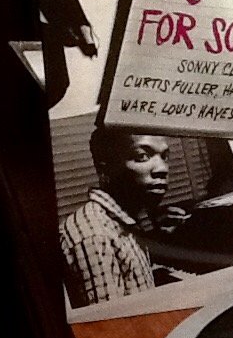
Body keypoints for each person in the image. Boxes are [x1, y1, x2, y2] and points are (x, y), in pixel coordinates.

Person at [59, 127, 189, 307]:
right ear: (106, 168)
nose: (162, 169)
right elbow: (112, 322)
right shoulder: (95, 237)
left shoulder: (118, 222)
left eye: (164, 157)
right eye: (142, 156)